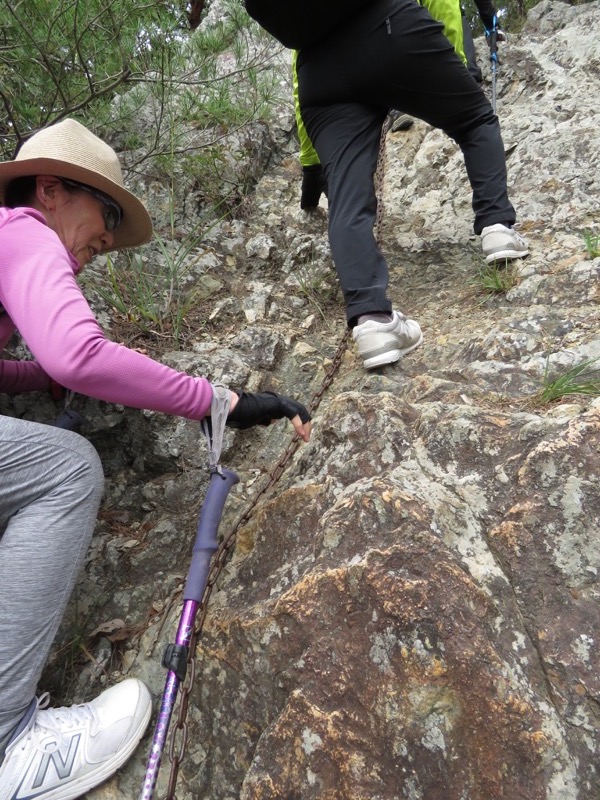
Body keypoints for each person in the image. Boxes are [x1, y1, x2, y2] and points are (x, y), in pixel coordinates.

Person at [0, 118, 311, 800]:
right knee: (67, 467)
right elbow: (77, 352)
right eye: (104, 215)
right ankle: (6, 744)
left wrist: (36, 382)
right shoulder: (23, 230)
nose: (101, 243)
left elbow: (40, 367)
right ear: (50, 190)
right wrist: (210, 400)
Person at [292, 0, 528, 369]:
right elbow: (444, 3)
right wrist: (462, 67)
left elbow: (297, 78)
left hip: (318, 71)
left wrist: (311, 163)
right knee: (476, 120)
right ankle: (497, 227)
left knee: (346, 194)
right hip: (391, 30)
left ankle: (372, 323)